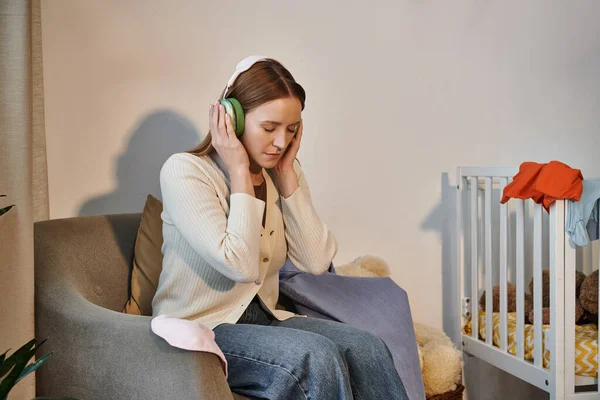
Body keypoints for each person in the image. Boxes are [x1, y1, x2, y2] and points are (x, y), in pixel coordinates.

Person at [152, 55, 409, 400]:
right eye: (269, 128)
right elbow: (240, 265)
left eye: (291, 130)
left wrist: (288, 178)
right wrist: (240, 172)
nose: (280, 143)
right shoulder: (185, 172)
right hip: (204, 326)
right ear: (232, 118)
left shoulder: (280, 171)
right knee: (315, 357)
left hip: (267, 317)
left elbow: (315, 261)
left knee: (367, 346)